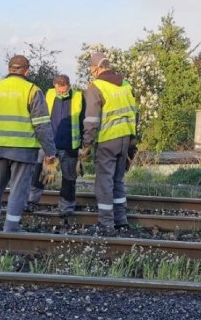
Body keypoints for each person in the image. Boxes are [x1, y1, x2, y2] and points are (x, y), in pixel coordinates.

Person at [0, 55, 58, 232]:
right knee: (18, 190)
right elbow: (42, 125)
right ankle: (11, 228)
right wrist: (50, 151)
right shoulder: (32, 90)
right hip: (23, 150)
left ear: (9, 69)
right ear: (27, 70)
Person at [80, 52, 138, 235]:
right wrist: (132, 143)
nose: (91, 72)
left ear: (96, 68)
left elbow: (91, 119)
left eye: (91, 69)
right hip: (126, 138)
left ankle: (106, 223)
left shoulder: (96, 86)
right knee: (117, 180)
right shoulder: (126, 84)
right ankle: (121, 220)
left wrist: (86, 145)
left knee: (104, 182)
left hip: (108, 139)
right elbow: (135, 114)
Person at [27, 74, 85, 218]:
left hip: (70, 145)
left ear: (69, 86)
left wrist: (83, 145)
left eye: (64, 91)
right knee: (39, 174)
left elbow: (84, 120)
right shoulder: (49, 94)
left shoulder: (78, 97)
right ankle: (31, 202)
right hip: (48, 144)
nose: (61, 93)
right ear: (55, 85)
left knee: (69, 178)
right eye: (59, 90)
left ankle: (66, 208)